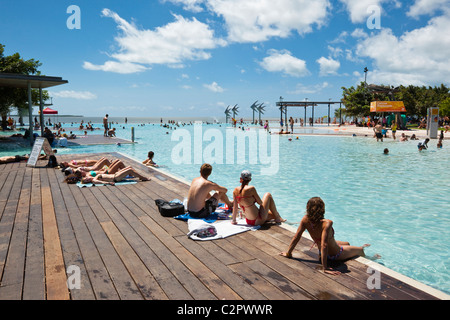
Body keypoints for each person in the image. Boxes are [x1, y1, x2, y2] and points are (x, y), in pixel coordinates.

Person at [279, 197, 371, 275]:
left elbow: (296, 237)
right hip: (335, 254)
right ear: (322, 209)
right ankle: (368, 257)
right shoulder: (327, 223)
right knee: (360, 250)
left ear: (308, 208)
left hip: (322, 252)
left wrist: (288, 253)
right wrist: (325, 268)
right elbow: (324, 245)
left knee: (347, 243)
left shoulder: (305, 220)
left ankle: (353, 248)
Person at [81, 166, 151, 185]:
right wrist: (109, 183)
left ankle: (137, 175)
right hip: (116, 178)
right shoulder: (94, 180)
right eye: (86, 180)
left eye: (85, 178)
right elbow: (101, 182)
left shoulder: (92, 177)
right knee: (130, 170)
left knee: (129, 167)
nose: (87, 179)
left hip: (115, 174)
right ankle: (143, 178)